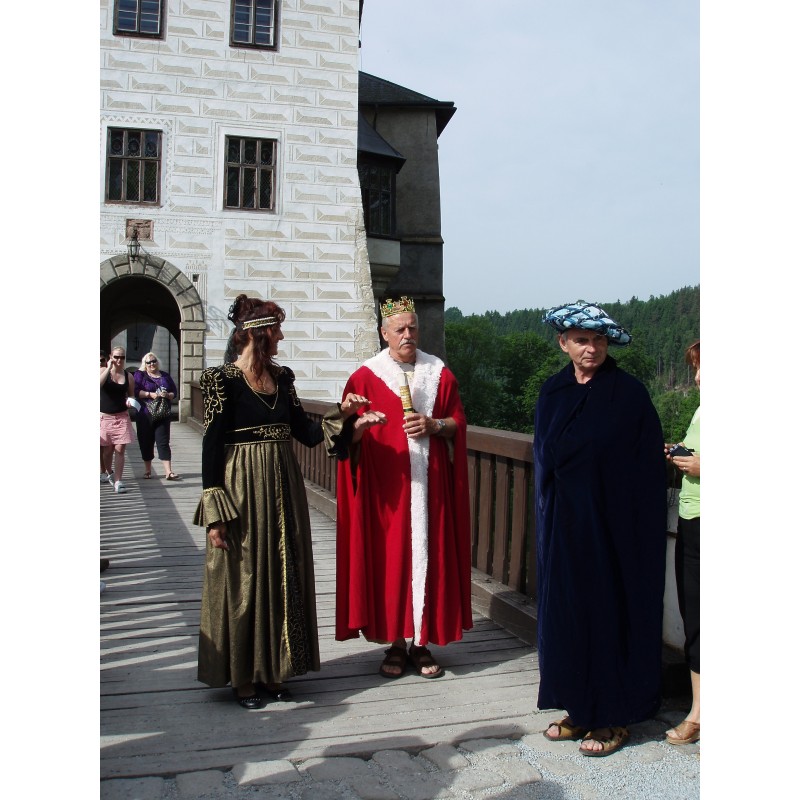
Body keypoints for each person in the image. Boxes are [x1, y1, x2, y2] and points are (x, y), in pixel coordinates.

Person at [193, 294, 366, 709]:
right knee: (245, 576)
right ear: (259, 334)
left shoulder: (283, 379)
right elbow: (212, 447)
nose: (282, 337)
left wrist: (345, 414)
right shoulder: (221, 381)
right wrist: (216, 516)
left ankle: (274, 671)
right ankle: (244, 679)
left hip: (283, 487)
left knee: (281, 571)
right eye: (277, 330)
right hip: (241, 488)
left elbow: (306, 432)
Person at [534, 301, 666, 757]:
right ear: (564, 343)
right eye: (582, 340)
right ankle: (578, 707)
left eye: (599, 340)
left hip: (614, 529)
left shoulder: (628, 394)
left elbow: (645, 465)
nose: (591, 348)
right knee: (568, 614)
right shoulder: (553, 391)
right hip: (563, 527)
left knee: (608, 612)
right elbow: (545, 460)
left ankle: (612, 715)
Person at [335, 296, 473, 679]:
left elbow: (458, 423)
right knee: (391, 560)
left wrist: (435, 425)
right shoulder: (365, 377)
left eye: (412, 327)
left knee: (430, 556)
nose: (407, 334)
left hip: (431, 487)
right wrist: (359, 427)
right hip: (387, 491)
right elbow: (343, 437)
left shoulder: (439, 373)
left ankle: (421, 643)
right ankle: (396, 642)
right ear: (385, 333)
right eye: (399, 329)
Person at [664, 340, 700, 745]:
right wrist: (680, 454)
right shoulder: (702, 410)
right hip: (691, 518)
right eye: (696, 368)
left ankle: (698, 715)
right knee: (695, 617)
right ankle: (699, 709)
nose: (698, 377)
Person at [134, 352, 181, 480]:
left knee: (163, 441)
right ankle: (147, 470)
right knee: (146, 441)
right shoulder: (140, 375)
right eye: (148, 362)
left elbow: (174, 392)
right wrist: (150, 394)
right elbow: (135, 391)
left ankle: (168, 471)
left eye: (154, 361)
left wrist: (168, 395)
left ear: (157, 362)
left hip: (163, 413)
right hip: (145, 414)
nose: (152, 364)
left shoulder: (165, 375)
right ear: (145, 364)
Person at [100, 346, 136, 494]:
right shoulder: (103, 371)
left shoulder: (128, 376)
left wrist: (130, 401)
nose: (119, 360)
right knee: (107, 450)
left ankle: (118, 481)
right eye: (116, 357)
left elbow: (132, 394)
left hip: (122, 416)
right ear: (111, 357)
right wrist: (109, 368)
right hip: (105, 417)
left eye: (122, 357)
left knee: (120, 448)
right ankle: (109, 471)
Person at [100, 350, 113, 483]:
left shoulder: (111, 374)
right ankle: (102, 471)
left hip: (105, 414)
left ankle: (105, 470)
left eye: (101, 360)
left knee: (104, 445)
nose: (99, 363)